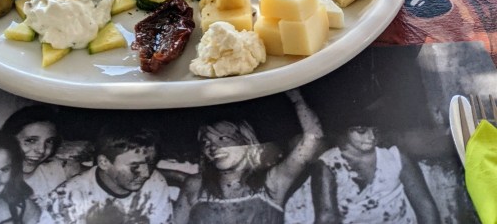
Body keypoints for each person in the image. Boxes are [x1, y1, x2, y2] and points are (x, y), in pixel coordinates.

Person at [174, 89, 322, 224]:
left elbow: (313, 137)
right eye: (206, 142)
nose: (213, 147)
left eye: (223, 138)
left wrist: (296, 97)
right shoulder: (195, 185)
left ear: (246, 140)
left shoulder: (271, 183)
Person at [304, 122, 441, 224]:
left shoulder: (394, 156)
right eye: (361, 130)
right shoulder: (328, 164)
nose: (371, 136)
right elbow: (327, 218)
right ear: (344, 130)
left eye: (375, 130)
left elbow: (425, 206)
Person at [44, 124, 172, 224]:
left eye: (150, 164)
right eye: (135, 166)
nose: (146, 173)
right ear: (104, 162)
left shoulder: (155, 182)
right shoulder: (66, 198)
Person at [2, 107, 67, 206]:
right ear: (9, 139)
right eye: (31, 140)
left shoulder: (55, 170)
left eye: (49, 141)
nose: (41, 150)